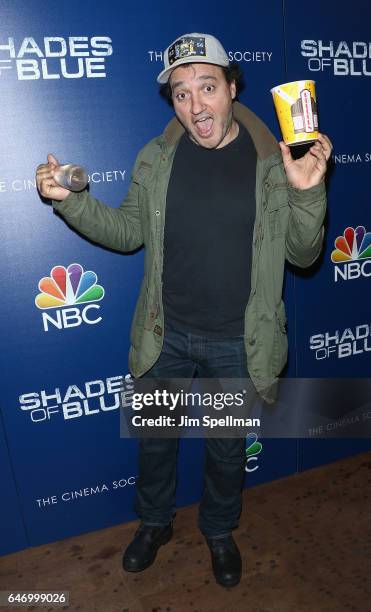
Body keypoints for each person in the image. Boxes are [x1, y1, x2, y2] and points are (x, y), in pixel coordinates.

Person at [36, 32, 332, 588]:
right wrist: (69, 201)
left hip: (237, 341)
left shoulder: (276, 161)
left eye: (207, 87)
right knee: (156, 443)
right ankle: (153, 524)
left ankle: (219, 530)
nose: (196, 106)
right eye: (181, 93)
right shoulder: (156, 157)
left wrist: (308, 192)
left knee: (225, 451)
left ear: (232, 88)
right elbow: (126, 232)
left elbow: (304, 254)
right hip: (164, 333)